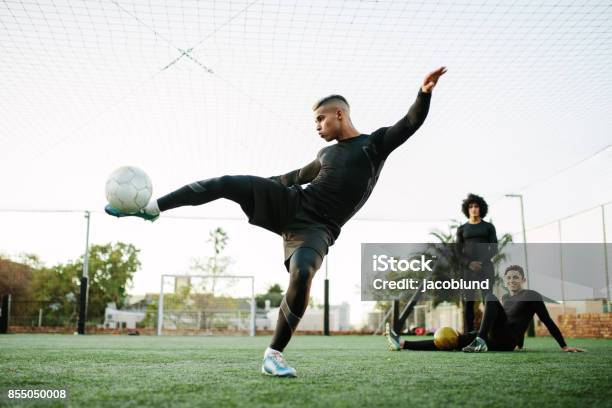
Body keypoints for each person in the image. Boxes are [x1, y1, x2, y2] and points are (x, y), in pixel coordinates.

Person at [105, 66, 447, 377]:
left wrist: (424, 93)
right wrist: (260, 186)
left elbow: (410, 123)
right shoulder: (326, 153)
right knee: (227, 182)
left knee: (302, 274)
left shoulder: (374, 144)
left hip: (318, 229)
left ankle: (273, 354)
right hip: (293, 203)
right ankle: (154, 207)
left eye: (320, 119)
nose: (317, 126)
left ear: (339, 114)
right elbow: (295, 176)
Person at [385, 265, 586, 353]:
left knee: (489, 296)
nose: (512, 280)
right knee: (452, 339)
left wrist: (563, 345)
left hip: (505, 340)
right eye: (509, 278)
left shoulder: (532, 295)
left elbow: (547, 321)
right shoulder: (506, 297)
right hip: (494, 337)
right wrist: (521, 343)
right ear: (506, 282)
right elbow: (512, 318)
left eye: (516, 277)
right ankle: (402, 343)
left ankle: (479, 341)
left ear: (523, 280)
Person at [456, 193, 497, 332]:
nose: (474, 209)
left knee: (488, 300)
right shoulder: (462, 229)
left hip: (485, 268)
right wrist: (469, 264)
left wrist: (481, 262)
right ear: (467, 209)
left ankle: (490, 332)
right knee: (469, 302)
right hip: (468, 271)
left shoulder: (489, 227)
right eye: (471, 206)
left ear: (481, 209)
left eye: (476, 206)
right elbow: (457, 252)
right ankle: (469, 333)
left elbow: (494, 248)